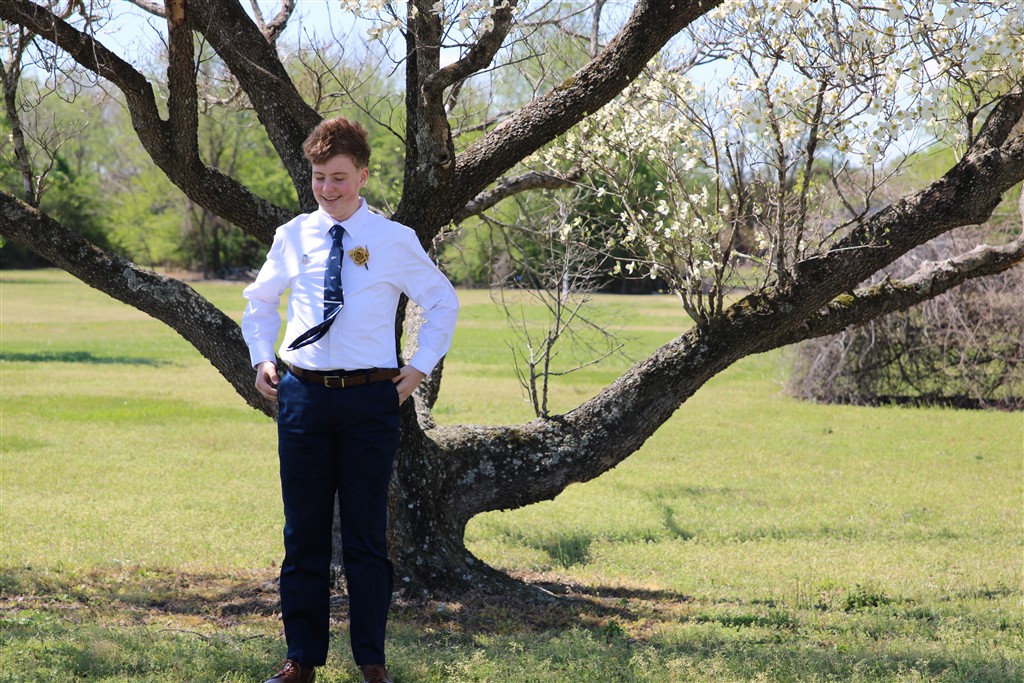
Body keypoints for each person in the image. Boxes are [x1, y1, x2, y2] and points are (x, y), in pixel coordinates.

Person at [241, 116, 459, 683]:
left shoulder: (394, 240)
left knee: (366, 536)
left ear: (362, 175)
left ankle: (371, 662)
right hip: (303, 399)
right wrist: (263, 357)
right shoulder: (293, 235)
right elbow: (260, 303)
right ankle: (300, 660)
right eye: (319, 177)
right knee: (303, 535)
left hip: (369, 403)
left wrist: (418, 367)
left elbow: (442, 302)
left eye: (338, 177)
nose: (328, 188)